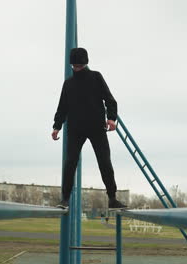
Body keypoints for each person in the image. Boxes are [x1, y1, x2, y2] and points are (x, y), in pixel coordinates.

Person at [52, 47, 127, 210]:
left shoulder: (96, 77)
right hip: (75, 129)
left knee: (104, 161)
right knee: (70, 162)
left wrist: (112, 118)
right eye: (75, 66)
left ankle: (112, 198)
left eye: (80, 66)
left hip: (96, 127)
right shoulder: (69, 84)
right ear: (72, 65)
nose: (77, 68)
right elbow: (62, 107)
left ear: (86, 63)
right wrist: (56, 126)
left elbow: (110, 100)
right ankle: (64, 199)